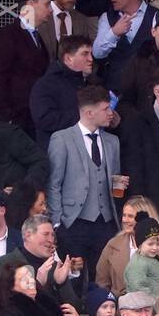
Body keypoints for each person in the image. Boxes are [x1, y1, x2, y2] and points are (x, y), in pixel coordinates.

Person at [47, 85, 121, 275]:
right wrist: (57, 223)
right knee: (74, 277)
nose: (110, 113)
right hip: (74, 221)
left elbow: (113, 179)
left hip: (106, 222)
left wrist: (119, 184)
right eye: (105, 109)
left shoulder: (113, 142)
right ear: (89, 112)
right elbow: (54, 184)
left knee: (103, 276)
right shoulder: (61, 139)